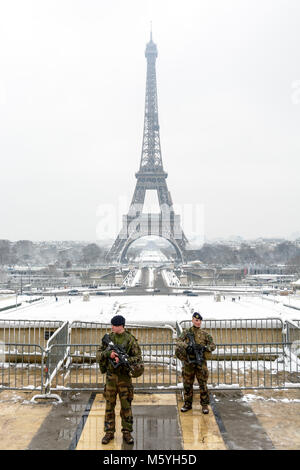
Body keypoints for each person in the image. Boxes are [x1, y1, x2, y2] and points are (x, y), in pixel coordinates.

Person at [96, 315, 143, 445]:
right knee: (109, 406)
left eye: (114, 325)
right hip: (111, 378)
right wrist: (109, 354)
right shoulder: (109, 338)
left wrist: (124, 360)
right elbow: (98, 354)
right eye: (112, 325)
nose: (112, 327)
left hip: (124, 379)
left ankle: (127, 432)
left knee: (126, 406)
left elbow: (138, 358)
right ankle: (109, 432)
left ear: (121, 326)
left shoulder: (130, 340)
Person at [175, 312, 216, 414]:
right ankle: (187, 404)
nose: (198, 322)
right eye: (196, 320)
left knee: (203, 384)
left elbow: (213, 345)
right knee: (187, 384)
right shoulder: (186, 332)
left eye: (200, 321)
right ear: (192, 320)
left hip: (200, 362)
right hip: (189, 362)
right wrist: (187, 347)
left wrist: (204, 348)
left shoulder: (204, 334)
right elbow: (178, 341)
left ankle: (205, 405)